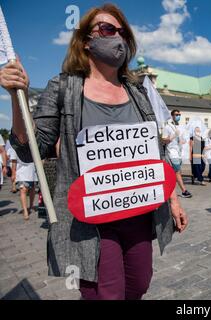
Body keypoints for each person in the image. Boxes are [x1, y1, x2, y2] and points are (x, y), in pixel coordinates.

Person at [0, 4, 188, 300]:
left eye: (122, 32)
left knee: (139, 283)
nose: (118, 38)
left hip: (138, 210)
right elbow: (29, 149)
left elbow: (154, 151)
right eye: (108, 29)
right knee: (105, 293)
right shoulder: (64, 87)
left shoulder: (136, 90)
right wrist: (16, 97)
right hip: (90, 219)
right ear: (86, 40)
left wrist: (173, 200)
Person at [162, 110, 193, 198]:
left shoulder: (180, 127)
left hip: (179, 153)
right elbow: (164, 140)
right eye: (176, 114)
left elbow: (181, 139)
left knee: (173, 172)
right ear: (172, 116)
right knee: (177, 172)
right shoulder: (167, 127)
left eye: (179, 114)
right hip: (172, 152)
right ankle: (184, 191)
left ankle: (168, 190)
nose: (178, 116)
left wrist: (182, 141)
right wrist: (173, 136)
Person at [8, 147, 38, 221]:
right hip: (21, 172)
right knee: (23, 190)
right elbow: (14, 162)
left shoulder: (31, 144)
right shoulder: (14, 147)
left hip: (32, 170)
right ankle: (25, 211)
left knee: (32, 189)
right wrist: (13, 174)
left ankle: (31, 205)